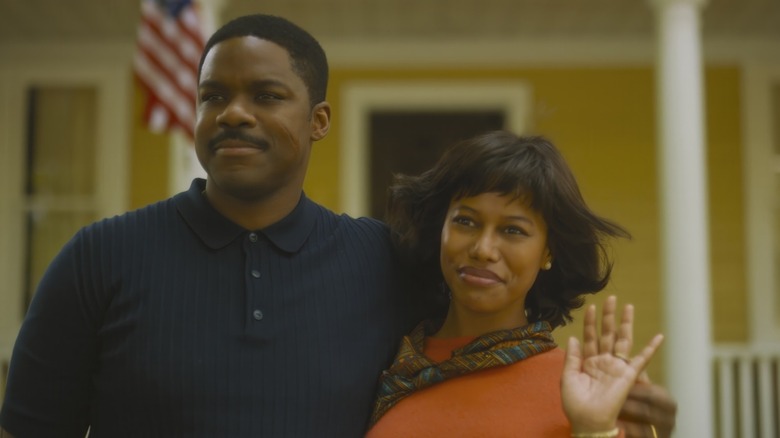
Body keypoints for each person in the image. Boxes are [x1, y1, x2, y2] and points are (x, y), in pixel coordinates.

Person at [0, 14, 675, 438]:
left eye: (266, 96)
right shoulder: (98, 258)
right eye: (214, 96)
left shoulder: (383, 261)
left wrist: (625, 424)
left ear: (317, 121)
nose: (234, 113)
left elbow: (489, 340)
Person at [366, 131, 671, 437]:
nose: (483, 249)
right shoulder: (385, 363)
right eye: (466, 221)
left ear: (548, 251)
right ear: (440, 227)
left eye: (513, 230)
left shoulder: (581, 394)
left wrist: (595, 430)